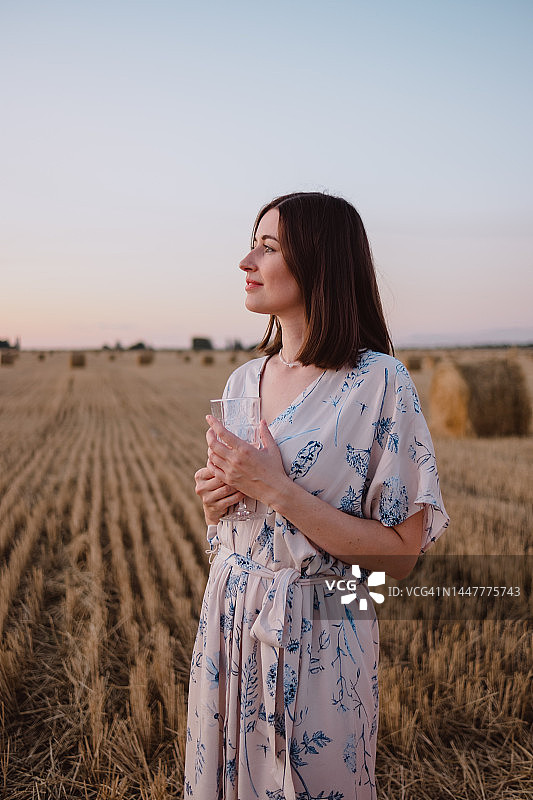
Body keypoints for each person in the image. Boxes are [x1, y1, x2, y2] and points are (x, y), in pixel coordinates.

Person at [184, 192, 449, 800]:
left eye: (269, 247)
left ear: (321, 261)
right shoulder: (242, 381)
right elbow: (233, 535)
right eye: (254, 242)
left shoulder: (380, 382)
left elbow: (401, 561)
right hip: (232, 619)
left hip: (326, 631)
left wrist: (275, 489)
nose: (246, 260)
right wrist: (216, 504)